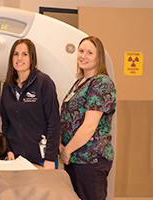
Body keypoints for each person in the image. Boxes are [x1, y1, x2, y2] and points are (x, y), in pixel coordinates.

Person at [59, 36, 116, 200]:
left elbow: (90, 126)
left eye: (90, 53)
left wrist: (67, 151)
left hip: (91, 159)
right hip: (75, 159)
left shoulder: (101, 83)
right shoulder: (79, 83)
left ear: (99, 58)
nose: (83, 56)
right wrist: (61, 145)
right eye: (81, 51)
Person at [0, 38, 60, 170]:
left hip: (42, 159)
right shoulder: (7, 86)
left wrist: (50, 158)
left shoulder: (44, 82)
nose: (19, 58)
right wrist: (9, 149)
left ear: (32, 58)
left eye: (24, 54)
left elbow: (54, 122)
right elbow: (6, 123)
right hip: (17, 159)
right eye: (16, 54)